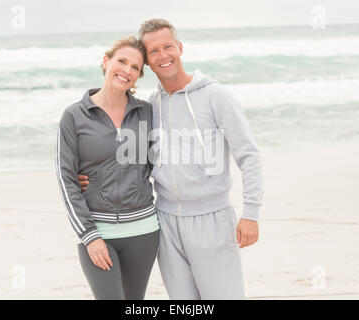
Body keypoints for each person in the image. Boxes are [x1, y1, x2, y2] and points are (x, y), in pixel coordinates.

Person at [80, 19, 264, 300]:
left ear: (179, 47)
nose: (163, 55)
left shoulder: (216, 96)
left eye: (168, 47)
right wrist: (89, 179)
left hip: (212, 219)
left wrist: (251, 213)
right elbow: (126, 157)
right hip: (165, 222)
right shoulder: (149, 107)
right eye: (154, 52)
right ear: (148, 64)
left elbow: (249, 155)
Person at [56, 36, 160, 300]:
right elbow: (66, 179)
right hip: (98, 231)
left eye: (135, 67)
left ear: (138, 76)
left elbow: (155, 163)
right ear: (106, 61)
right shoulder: (74, 116)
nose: (127, 70)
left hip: (143, 230)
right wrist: (89, 235)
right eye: (121, 61)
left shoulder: (146, 112)